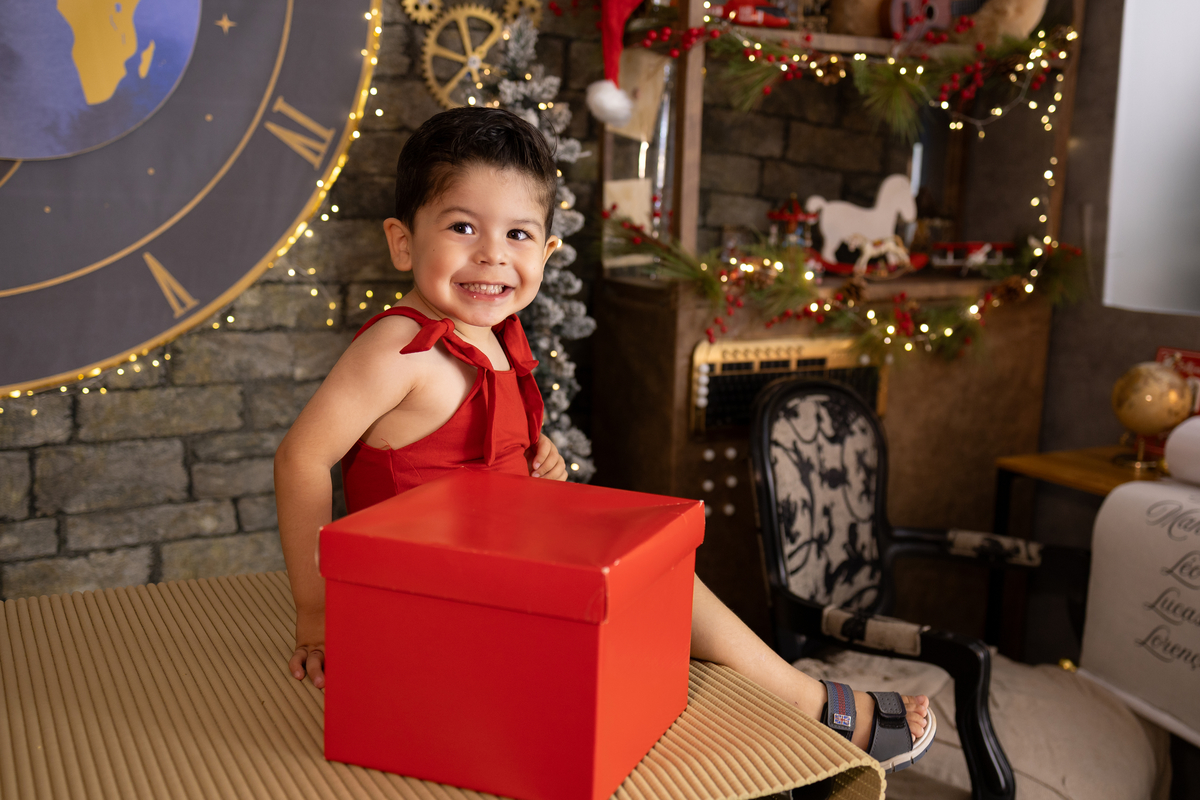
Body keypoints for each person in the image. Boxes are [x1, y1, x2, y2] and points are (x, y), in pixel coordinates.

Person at [274, 107, 933, 773]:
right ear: (404, 242)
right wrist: (316, 613)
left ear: (548, 254)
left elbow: (465, 469)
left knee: (657, 569)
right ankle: (808, 702)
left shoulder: (495, 337)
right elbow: (302, 456)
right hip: (422, 607)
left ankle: (796, 701)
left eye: (519, 234)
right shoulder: (402, 347)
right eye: (462, 226)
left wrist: (536, 469)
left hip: (484, 580)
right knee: (643, 602)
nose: (493, 254)